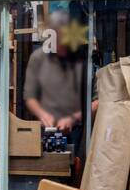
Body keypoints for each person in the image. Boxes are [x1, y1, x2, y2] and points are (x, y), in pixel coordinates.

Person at [23, 10, 89, 145]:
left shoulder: (82, 59)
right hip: (47, 131)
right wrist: (43, 114)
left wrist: (73, 118)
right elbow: (29, 96)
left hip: (80, 133)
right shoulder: (38, 58)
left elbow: (96, 101)